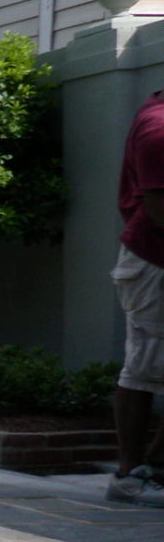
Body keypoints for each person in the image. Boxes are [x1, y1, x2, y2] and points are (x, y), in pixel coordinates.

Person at [109, 89, 164, 505]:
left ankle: (157, 465)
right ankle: (129, 475)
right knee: (144, 365)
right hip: (153, 259)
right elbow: (160, 208)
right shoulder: (159, 129)